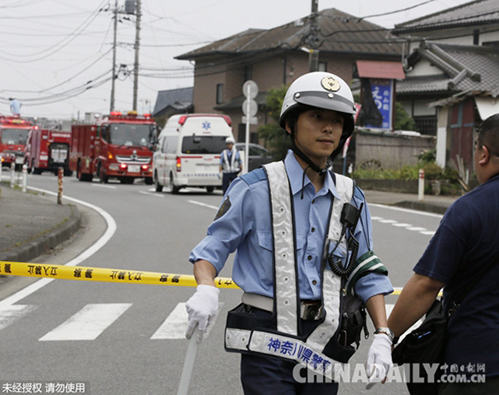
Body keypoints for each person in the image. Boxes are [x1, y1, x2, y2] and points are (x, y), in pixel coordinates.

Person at [185, 71, 394, 394]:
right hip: (267, 342)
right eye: (316, 116)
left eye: (337, 121)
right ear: (290, 124)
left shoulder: (351, 197)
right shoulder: (254, 188)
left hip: (324, 343)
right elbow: (211, 248)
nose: (328, 128)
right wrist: (206, 288)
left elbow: (365, 269)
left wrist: (382, 333)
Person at [387, 113, 499, 394]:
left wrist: (386, 336)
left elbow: (426, 285)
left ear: (483, 154)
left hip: (477, 365)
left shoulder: (470, 209)